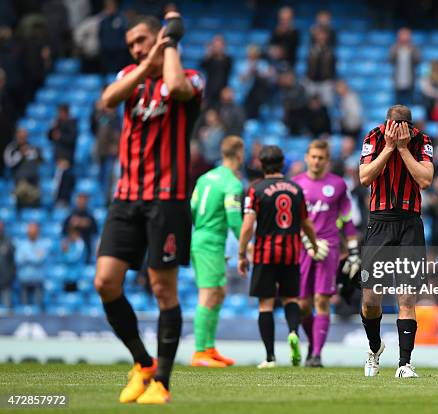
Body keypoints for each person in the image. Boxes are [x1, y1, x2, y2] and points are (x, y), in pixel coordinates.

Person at [94, 12, 204, 404]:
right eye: (132, 45)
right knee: (105, 282)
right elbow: (107, 100)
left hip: (167, 200)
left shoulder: (190, 77)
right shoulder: (131, 76)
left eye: (142, 40)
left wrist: (169, 43)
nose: (137, 49)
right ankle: (142, 363)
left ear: (158, 38)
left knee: (163, 290)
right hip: (126, 197)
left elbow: (175, 86)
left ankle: (162, 382)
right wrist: (146, 60)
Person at [358, 105, 434, 378]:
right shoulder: (374, 137)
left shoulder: (421, 141)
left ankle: (404, 363)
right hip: (378, 222)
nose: (398, 129)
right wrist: (389, 148)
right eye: (394, 124)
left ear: (410, 126)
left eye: (404, 125)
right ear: (387, 123)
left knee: (406, 296)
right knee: (370, 299)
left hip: (410, 224)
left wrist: (402, 149)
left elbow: (425, 180)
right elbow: (365, 177)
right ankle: (375, 348)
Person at [237, 145, 320, 368]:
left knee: (265, 304)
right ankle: (293, 332)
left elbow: (247, 226)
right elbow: (306, 223)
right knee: (290, 299)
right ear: (282, 163)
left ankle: (270, 357)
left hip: (265, 254)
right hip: (291, 254)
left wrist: (242, 253)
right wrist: (313, 245)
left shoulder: (255, 190)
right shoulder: (296, 189)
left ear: (261, 165)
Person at [293, 140, 359, 367]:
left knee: (322, 299)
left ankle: (317, 354)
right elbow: (290, 220)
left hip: (328, 248)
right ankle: (313, 342)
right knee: (302, 304)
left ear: (327, 160)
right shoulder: (296, 184)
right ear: (306, 157)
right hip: (302, 248)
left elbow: (348, 220)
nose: (316, 161)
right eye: (313, 156)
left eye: (321, 158)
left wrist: (352, 252)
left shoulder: (338, 185)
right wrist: (303, 239)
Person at [190, 136, 245, 368]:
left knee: (219, 291)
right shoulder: (232, 183)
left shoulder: (204, 178)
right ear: (239, 155)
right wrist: (246, 245)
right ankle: (200, 352)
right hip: (210, 242)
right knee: (208, 294)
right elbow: (234, 220)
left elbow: (192, 208)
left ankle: (210, 348)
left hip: (202, 237)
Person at [3, 128, 43, 209]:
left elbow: (41, 160)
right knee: (22, 190)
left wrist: (35, 154)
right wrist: (20, 154)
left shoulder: (33, 148)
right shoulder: (12, 148)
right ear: (16, 136)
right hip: (20, 183)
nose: (22, 138)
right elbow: (9, 163)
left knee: (36, 201)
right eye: (20, 137)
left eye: (24, 136)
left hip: (34, 183)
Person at [15, 222, 50, 308]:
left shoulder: (43, 244)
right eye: (30, 231)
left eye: (34, 231)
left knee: (38, 308)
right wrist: (34, 256)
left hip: (38, 281)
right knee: (24, 309)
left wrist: (27, 256)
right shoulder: (22, 245)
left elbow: (40, 260)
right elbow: (18, 260)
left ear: (38, 232)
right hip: (24, 281)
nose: (32, 233)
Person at [63, 192, 98, 263]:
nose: (81, 202)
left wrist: (85, 224)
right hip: (72, 247)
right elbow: (64, 231)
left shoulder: (90, 216)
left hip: (86, 247)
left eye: (83, 200)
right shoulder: (71, 214)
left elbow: (95, 231)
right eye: (80, 199)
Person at [199, 35, 232, 109]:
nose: (218, 47)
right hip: (210, 91)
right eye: (216, 45)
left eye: (219, 45)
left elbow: (228, 70)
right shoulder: (210, 59)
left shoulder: (228, 60)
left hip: (222, 91)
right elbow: (201, 66)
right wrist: (208, 53)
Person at [389, 27, 420, 106]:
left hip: (410, 78)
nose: (404, 37)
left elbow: (417, 60)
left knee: (410, 101)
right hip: (398, 79)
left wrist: (411, 49)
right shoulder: (395, 47)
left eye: (406, 35)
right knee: (397, 103)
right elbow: (390, 59)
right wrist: (397, 47)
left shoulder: (413, 47)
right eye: (402, 35)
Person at [0, 221, 16, 308]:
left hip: (5, 281)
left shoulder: (8, 242)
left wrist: (10, 276)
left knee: (6, 310)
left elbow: (13, 261)